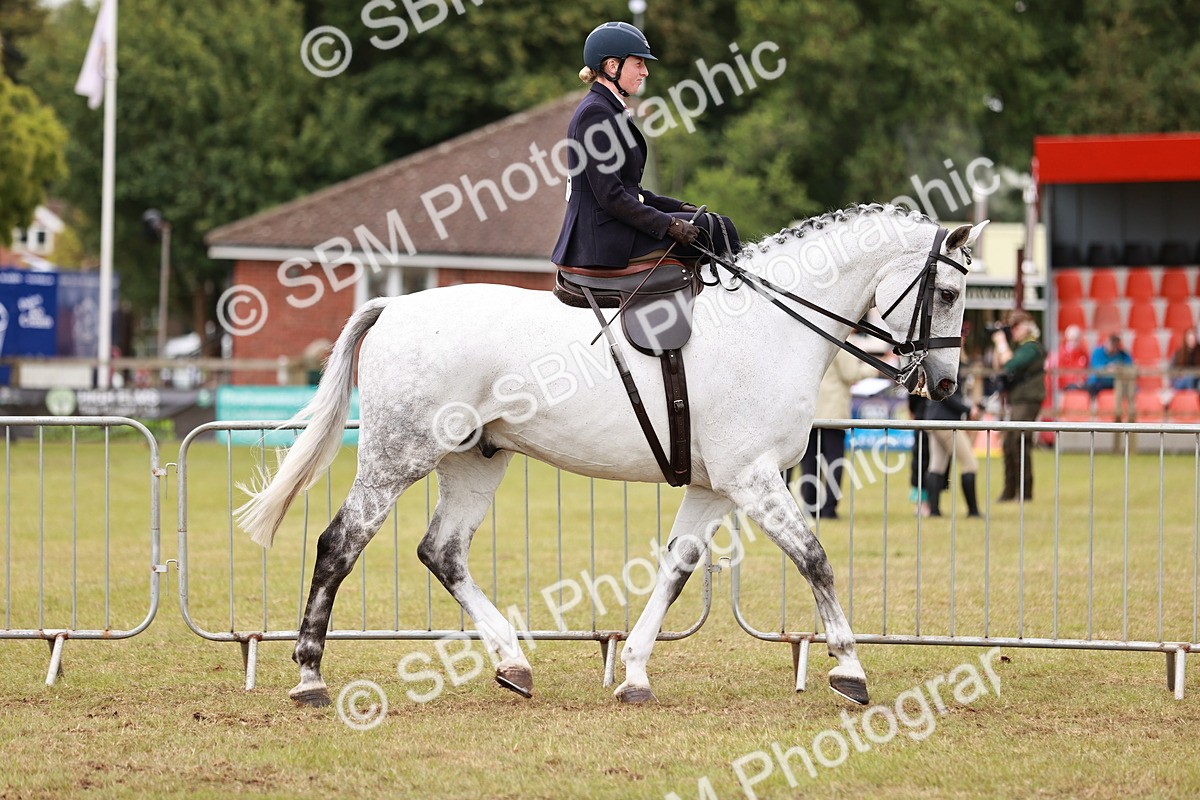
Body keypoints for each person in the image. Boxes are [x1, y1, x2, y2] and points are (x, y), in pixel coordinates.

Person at [551, 22, 740, 270]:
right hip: (601, 236)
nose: (645, 72)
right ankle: (739, 300)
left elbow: (632, 190)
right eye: (639, 64)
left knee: (712, 222)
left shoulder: (608, 108)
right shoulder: (596, 113)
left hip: (610, 225)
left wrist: (678, 207)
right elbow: (611, 196)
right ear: (612, 66)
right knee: (715, 228)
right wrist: (669, 224)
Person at [787, 349, 878, 520]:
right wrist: (874, 369)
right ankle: (829, 509)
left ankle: (811, 507)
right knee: (834, 464)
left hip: (811, 413)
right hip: (833, 413)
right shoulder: (840, 344)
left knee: (809, 463)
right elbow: (850, 373)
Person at [991, 310, 1045, 502]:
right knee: (1009, 444)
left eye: (1016, 326)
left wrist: (1001, 343)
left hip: (1028, 400)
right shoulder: (1020, 346)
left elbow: (1012, 364)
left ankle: (1024, 492)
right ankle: (1010, 490)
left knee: (1020, 443)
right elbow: (1001, 367)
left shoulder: (1032, 347)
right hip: (1017, 400)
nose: (1013, 330)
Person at [921, 365, 982, 518]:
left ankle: (934, 511)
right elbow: (946, 394)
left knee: (937, 465)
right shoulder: (949, 361)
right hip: (946, 420)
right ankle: (973, 511)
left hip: (934, 418)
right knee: (970, 463)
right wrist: (967, 409)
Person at [1050, 324, 1090, 390]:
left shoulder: (1084, 353)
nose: (1073, 342)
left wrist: (1082, 380)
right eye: (1071, 339)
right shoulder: (1061, 354)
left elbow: (1087, 371)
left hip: (1081, 385)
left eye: (1076, 339)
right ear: (1067, 339)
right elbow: (1060, 374)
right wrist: (1074, 382)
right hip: (1065, 386)